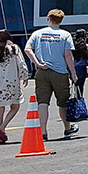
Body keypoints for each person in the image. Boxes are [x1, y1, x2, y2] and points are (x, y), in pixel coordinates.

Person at [24, 9, 79, 140]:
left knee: (43, 102)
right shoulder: (65, 35)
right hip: (59, 72)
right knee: (63, 102)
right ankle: (67, 128)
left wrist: (37, 63)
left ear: (49, 18)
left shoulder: (37, 33)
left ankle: (43, 132)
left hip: (42, 72)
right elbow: (68, 55)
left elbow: (27, 49)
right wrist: (73, 73)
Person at [0, 29, 28, 145]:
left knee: (0, 109)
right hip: (12, 82)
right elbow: (21, 64)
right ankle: (2, 127)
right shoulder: (14, 49)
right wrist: (24, 76)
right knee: (15, 106)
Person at [71, 28, 88, 97]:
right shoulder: (87, 47)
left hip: (72, 68)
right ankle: (79, 102)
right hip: (82, 69)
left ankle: (74, 101)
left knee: (74, 86)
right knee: (80, 88)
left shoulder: (72, 46)